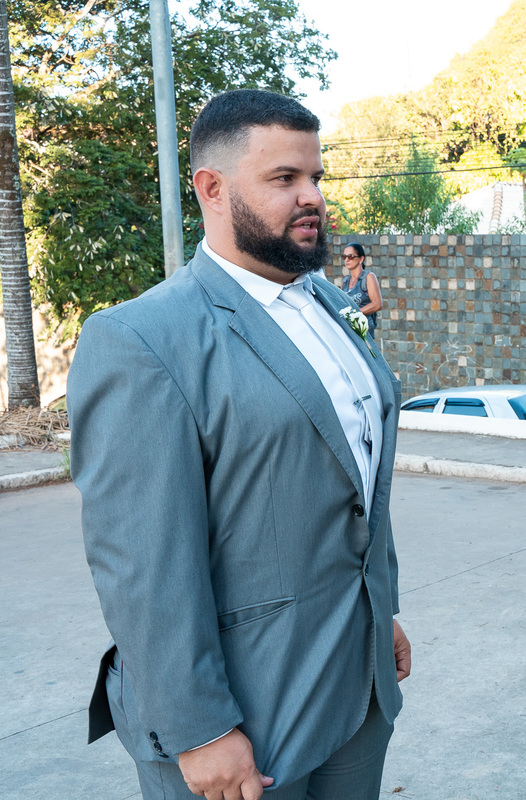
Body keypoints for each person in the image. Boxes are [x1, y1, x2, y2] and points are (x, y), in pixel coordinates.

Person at [68, 89, 411, 800]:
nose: (311, 196)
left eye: (316, 177)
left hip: (358, 682)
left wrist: (382, 611)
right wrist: (198, 728)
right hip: (240, 719)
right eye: (284, 180)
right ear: (212, 188)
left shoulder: (334, 306)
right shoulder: (141, 340)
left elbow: (357, 477)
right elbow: (141, 563)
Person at [340, 242, 382, 338]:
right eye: (344, 257)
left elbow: (377, 304)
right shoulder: (345, 281)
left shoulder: (368, 277)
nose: (347, 260)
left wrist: (355, 314)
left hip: (365, 329)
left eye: (350, 256)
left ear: (361, 259)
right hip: (350, 329)